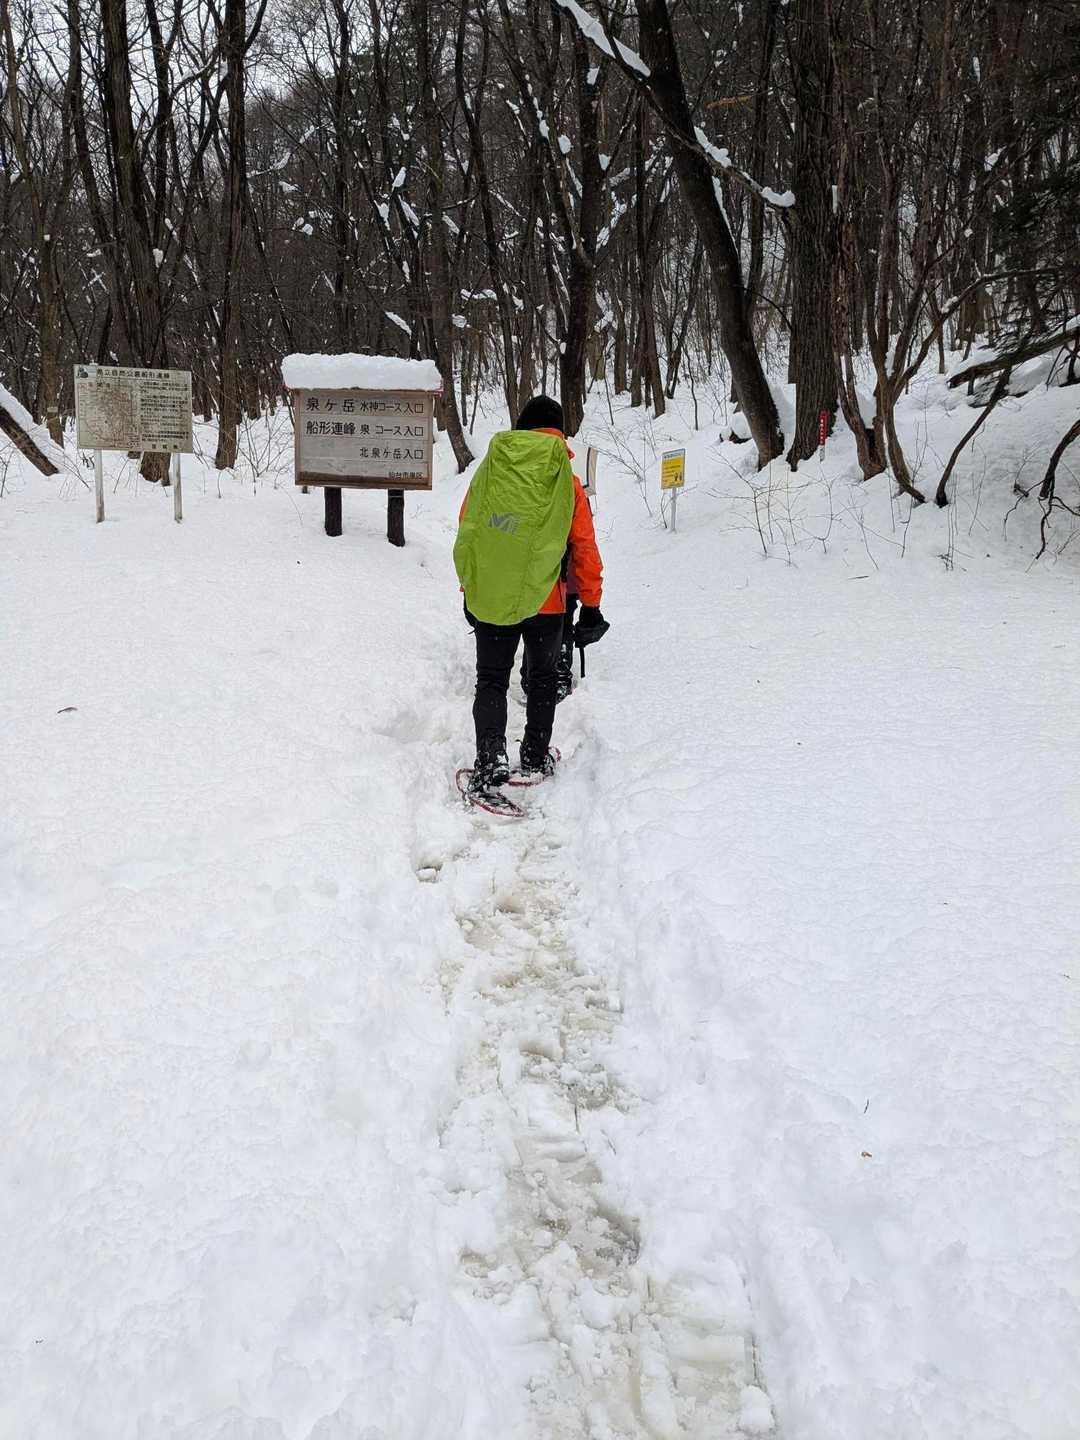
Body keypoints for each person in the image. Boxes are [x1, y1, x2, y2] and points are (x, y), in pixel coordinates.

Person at [455, 395, 606, 804]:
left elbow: (470, 529)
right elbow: (584, 546)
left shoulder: (492, 469)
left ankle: (490, 759)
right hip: (547, 601)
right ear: (560, 432)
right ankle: (535, 757)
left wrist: (469, 588)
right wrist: (591, 604)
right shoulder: (565, 478)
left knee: (491, 679)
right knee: (542, 679)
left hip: (492, 596)